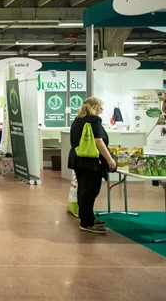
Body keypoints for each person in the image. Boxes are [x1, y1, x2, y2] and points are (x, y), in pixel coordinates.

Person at [68, 97, 116, 234]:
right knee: (90, 191)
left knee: (83, 190)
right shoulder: (94, 120)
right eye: (100, 108)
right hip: (91, 161)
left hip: (78, 160)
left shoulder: (77, 121)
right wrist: (110, 160)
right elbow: (98, 141)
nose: (101, 112)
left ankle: (87, 218)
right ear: (94, 107)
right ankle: (87, 223)